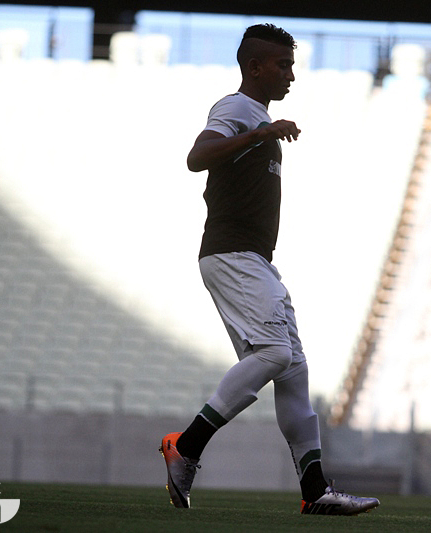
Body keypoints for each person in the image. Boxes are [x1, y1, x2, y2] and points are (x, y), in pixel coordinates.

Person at [160, 23, 380, 516]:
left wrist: (264, 131)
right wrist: (262, 131)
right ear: (254, 67)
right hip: (231, 253)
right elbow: (196, 157)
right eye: (282, 65)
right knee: (276, 353)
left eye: (292, 66)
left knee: (294, 368)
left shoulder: (254, 117)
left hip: (254, 259)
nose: (290, 75)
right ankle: (186, 446)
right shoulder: (237, 109)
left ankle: (316, 490)